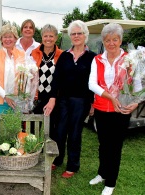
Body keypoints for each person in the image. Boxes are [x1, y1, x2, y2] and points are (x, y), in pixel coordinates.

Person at [88, 23, 138, 195]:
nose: (111, 43)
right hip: (102, 108)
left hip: (121, 110)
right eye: (108, 40)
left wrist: (136, 103)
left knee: (115, 146)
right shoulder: (97, 60)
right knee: (103, 144)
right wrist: (110, 97)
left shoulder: (129, 60)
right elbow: (91, 84)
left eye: (115, 39)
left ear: (120, 40)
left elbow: (137, 85)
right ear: (103, 41)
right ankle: (102, 173)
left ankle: (111, 182)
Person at [52, 20, 97, 178]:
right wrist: (53, 98)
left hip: (81, 101)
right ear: (70, 36)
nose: (76, 36)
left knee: (75, 133)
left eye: (79, 33)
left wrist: (93, 103)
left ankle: (72, 165)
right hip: (63, 99)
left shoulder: (93, 57)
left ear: (85, 35)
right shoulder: (64, 56)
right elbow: (56, 79)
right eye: (73, 34)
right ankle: (57, 160)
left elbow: (95, 82)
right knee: (60, 131)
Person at [31, 24, 63, 139]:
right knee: (33, 130)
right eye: (45, 36)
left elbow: (61, 79)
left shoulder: (62, 55)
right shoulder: (34, 53)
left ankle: (49, 156)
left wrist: (54, 98)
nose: (48, 39)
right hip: (37, 97)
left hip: (53, 99)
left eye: (51, 36)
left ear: (56, 37)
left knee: (51, 131)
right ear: (42, 37)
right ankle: (33, 155)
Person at [0, 23, 25, 114]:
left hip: (16, 102)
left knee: (16, 128)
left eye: (10, 37)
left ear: (15, 39)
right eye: (5, 37)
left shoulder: (22, 55)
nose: (7, 39)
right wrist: (5, 96)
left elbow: (25, 77)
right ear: (1, 39)